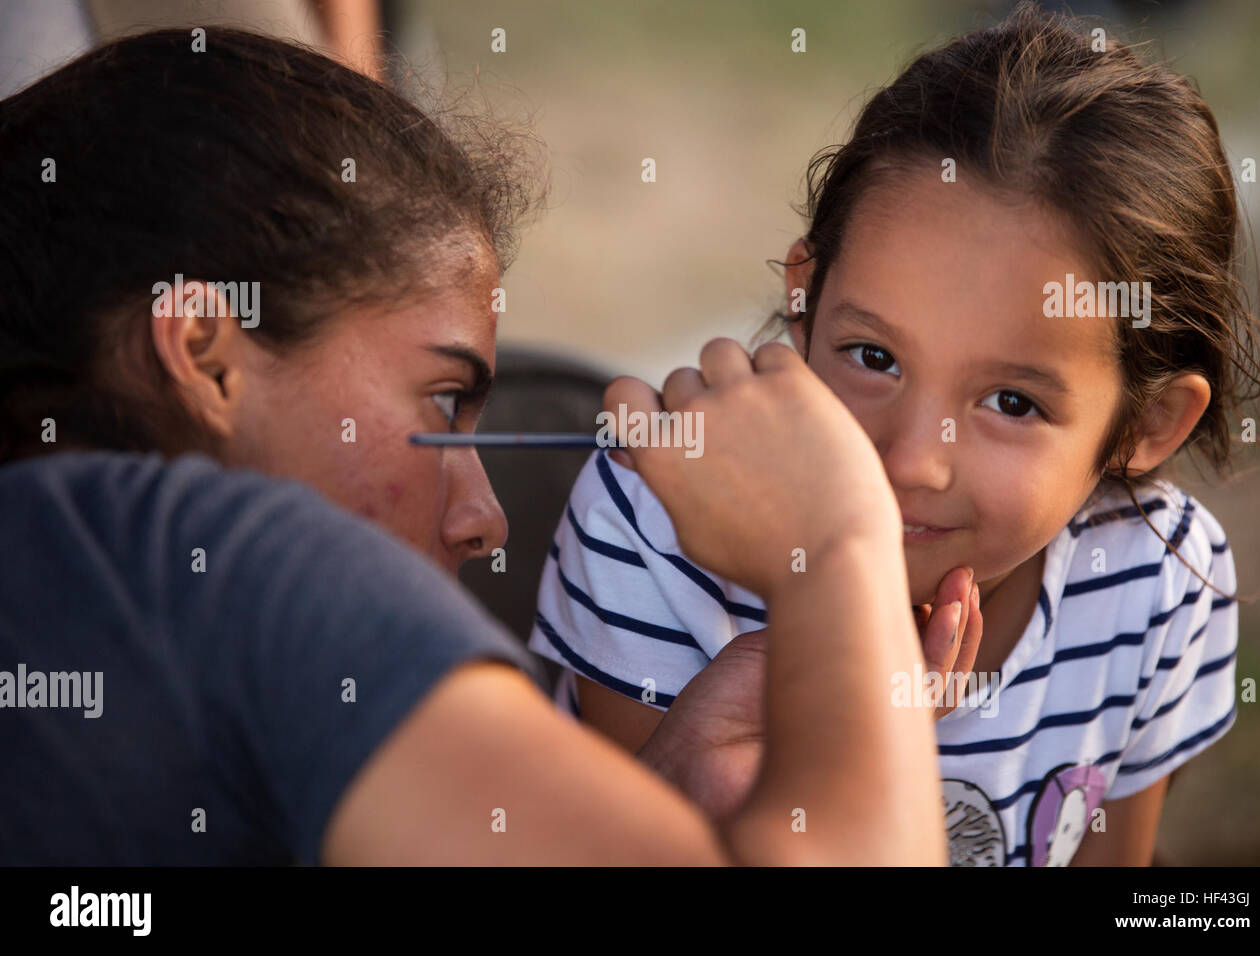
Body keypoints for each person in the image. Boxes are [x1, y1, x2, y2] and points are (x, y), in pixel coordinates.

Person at [0, 27, 946, 865]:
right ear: (205, 357)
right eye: (445, 398)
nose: (486, 519)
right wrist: (837, 548)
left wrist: (668, 781)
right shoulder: (240, 569)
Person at [530, 3, 1260, 866]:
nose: (910, 459)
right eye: (873, 355)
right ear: (805, 300)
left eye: (1012, 404)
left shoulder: (1157, 578)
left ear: (1146, 424)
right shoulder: (655, 526)